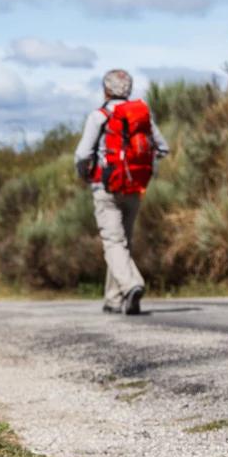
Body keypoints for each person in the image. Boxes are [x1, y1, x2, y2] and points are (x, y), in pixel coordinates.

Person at [74, 68, 169, 316]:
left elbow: (82, 154)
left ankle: (131, 285)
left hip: (106, 187)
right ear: (129, 89)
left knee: (113, 242)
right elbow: (162, 148)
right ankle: (113, 299)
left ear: (106, 90)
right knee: (122, 243)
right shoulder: (141, 116)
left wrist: (85, 174)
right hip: (135, 187)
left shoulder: (99, 116)